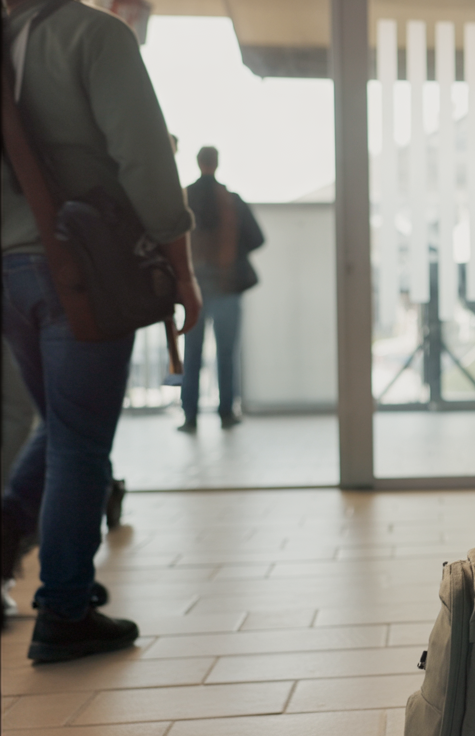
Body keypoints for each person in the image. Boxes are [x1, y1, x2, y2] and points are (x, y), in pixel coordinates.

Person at [0, 0, 201, 656]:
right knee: (80, 443)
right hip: (76, 268)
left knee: (61, 426)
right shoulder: (91, 36)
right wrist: (181, 265)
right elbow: (143, 156)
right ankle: (63, 607)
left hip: (7, 274)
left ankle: (9, 542)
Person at [179, 146, 264, 432]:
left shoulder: (185, 198)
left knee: (192, 354)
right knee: (226, 353)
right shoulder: (232, 200)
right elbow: (257, 238)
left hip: (194, 287)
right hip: (227, 286)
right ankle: (226, 412)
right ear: (217, 163)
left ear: (198, 162)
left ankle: (189, 416)